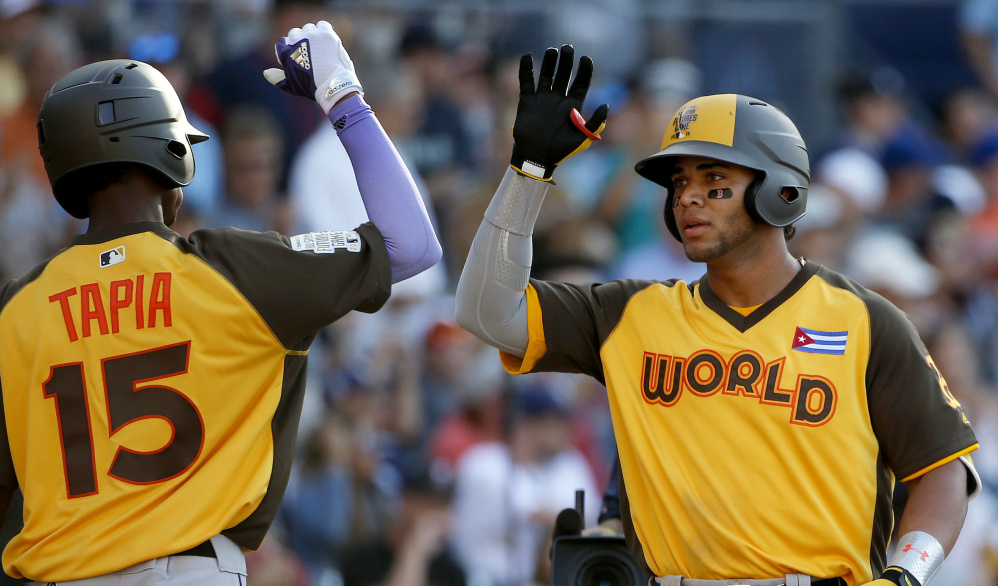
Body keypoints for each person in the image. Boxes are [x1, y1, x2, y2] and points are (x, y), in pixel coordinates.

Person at [455, 45, 980, 586]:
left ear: (781, 190)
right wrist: (528, 174)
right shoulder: (629, 312)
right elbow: (485, 311)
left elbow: (944, 469)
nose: (688, 198)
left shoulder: (868, 321)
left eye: (712, 179)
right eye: (679, 183)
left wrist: (905, 576)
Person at [0, 19, 440, 585]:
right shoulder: (228, 268)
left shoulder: (17, 307)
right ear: (170, 152)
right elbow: (412, 243)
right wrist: (342, 93)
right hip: (185, 570)